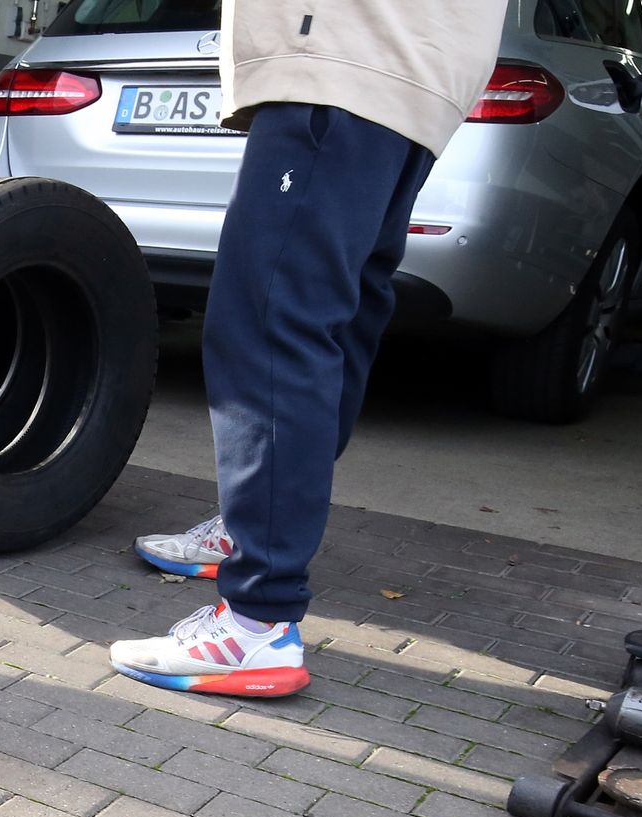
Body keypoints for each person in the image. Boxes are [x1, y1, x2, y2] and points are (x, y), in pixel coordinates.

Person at [109, 0, 508, 696]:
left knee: (272, 325)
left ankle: (256, 621)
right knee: (333, 321)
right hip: (413, 70)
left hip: (345, 52)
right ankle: (254, 530)